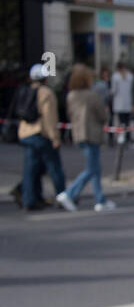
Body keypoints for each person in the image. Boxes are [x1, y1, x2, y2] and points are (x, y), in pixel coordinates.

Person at [59, 63, 115, 212]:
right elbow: (103, 116)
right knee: (92, 169)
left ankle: (99, 199)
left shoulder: (71, 96)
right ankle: (69, 193)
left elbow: (69, 114)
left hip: (78, 134)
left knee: (95, 168)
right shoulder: (91, 95)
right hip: (92, 134)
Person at [17, 63, 69, 212]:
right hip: (42, 134)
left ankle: (30, 199)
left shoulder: (27, 90)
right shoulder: (46, 93)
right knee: (54, 168)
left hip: (26, 134)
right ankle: (62, 197)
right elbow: (49, 117)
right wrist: (55, 138)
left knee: (30, 169)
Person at [110, 61, 134, 145]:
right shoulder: (130, 76)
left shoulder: (115, 77)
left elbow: (113, 90)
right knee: (127, 122)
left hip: (119, 103)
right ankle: (128, 137)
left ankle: (122, 138)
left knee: (121, 122)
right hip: (128, 102)